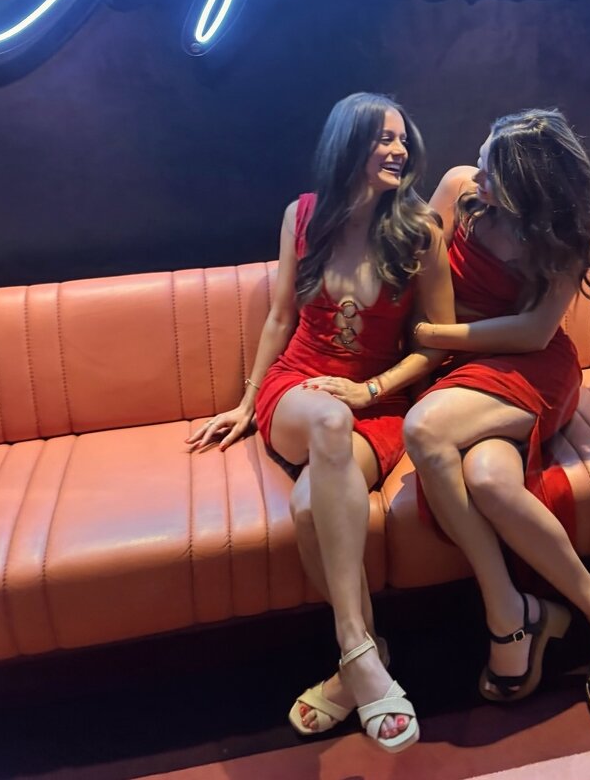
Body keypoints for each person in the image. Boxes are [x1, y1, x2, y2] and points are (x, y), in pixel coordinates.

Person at [187, 92, 453, 753]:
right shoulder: (302, 215)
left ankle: (359, 663)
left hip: (375, 404)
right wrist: (247, 400)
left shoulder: (420, 231)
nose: (399, 149)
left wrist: (371, 389)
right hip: (298, 390)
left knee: (311, 507)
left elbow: (437, 343)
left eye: (402, 139)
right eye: (383, 138)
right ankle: (359, 647)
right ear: (349, 143)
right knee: (329, 422)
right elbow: (281, 315)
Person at [404, 108, 590, 732]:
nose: (477, 175)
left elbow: (535, 333)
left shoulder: (562, 235)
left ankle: (506, 615)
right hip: (459, 369)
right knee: (488, 478)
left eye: (493, 172)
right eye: (482, 161)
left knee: (424, 429)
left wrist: (435, 335)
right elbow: (419, 268)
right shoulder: (458, 189)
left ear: (530, 188)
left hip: (531, 368)